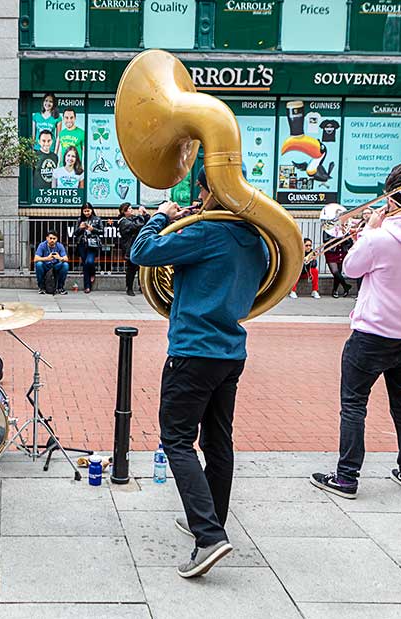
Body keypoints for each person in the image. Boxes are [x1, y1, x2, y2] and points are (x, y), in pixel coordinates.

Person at [130, 168, 268, 579]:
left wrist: (161, 215)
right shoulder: (257, 238)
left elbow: (142, 251)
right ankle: (211, 521)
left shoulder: (207, 232)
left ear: (210, 191)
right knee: (217, 441)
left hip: (193, 350)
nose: (199, 199)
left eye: (202, 191)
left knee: (176, 440)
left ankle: (208, 536)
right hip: (230, 351)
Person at [310, 164, 401, 499]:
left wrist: (367, 232)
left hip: (372, 333)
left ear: (393, 196)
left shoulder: (379, 237)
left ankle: (347, 477)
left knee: (354, 404)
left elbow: (352, 268)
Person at [117, 202, 148, 296]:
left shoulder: (134, 218)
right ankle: (129, 288)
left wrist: (145, 215)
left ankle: (141, 286)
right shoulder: (123, 222)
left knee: (141, 268)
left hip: (139, 246)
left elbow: (145, 223)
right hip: (130, 248)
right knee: (131, 269)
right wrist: (140, 215)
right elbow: (136, 226)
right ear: (124, 211)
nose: (131, 210)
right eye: (129, 209)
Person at [73, 203, 104, 293]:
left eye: (88, 211)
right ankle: (87, 286)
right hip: (82, 244)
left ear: (91, 210)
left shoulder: (97, 219)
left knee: (89, 261)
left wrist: (92, 229)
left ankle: (93, 272)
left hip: (93, 244)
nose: (87, 213)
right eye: (85, 211)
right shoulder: (80, 219)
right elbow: (75, 233)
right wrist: (80, 228)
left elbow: (102, 231)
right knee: (85, 264)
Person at [33, 231, 69, 295]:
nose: (52, 240)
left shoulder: (59, 246)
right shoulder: (42, 245)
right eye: (50, 238)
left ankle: (60, 288)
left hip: (55, 266)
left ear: (57, 239)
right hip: (45, 265)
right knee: (39, 264)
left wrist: (59, 258)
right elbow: (36, 259)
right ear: (47, 238)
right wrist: (47, 258)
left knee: (65, 265)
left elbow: (66, 259)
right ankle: (41, 287)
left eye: (54, 238)